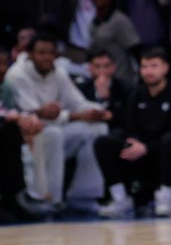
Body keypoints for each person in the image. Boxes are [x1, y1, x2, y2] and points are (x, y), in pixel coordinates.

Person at [3, 33, 111, 211]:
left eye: (51, 53)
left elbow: (77, 102)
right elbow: (31, 114)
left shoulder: (58, 72)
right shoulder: (17, 75)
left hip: (55, 129)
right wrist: (71, 116)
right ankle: (48, 199)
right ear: (30, 53)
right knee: (53, 134)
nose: (47, 57)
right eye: (41, 52)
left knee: (98, 128)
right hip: (26, 134)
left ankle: (83, 195)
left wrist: (97, 110)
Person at [95, 48, 171, 217]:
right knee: (103, 142)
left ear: (165, 68)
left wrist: (146, 147)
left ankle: (165, 195)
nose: (148, 71)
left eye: (154, 66)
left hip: (165, 153)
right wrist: (135, 143)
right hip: (139, 151)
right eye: (145, 67)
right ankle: (120, 198)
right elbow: (130, 126)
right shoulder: (136, 94)